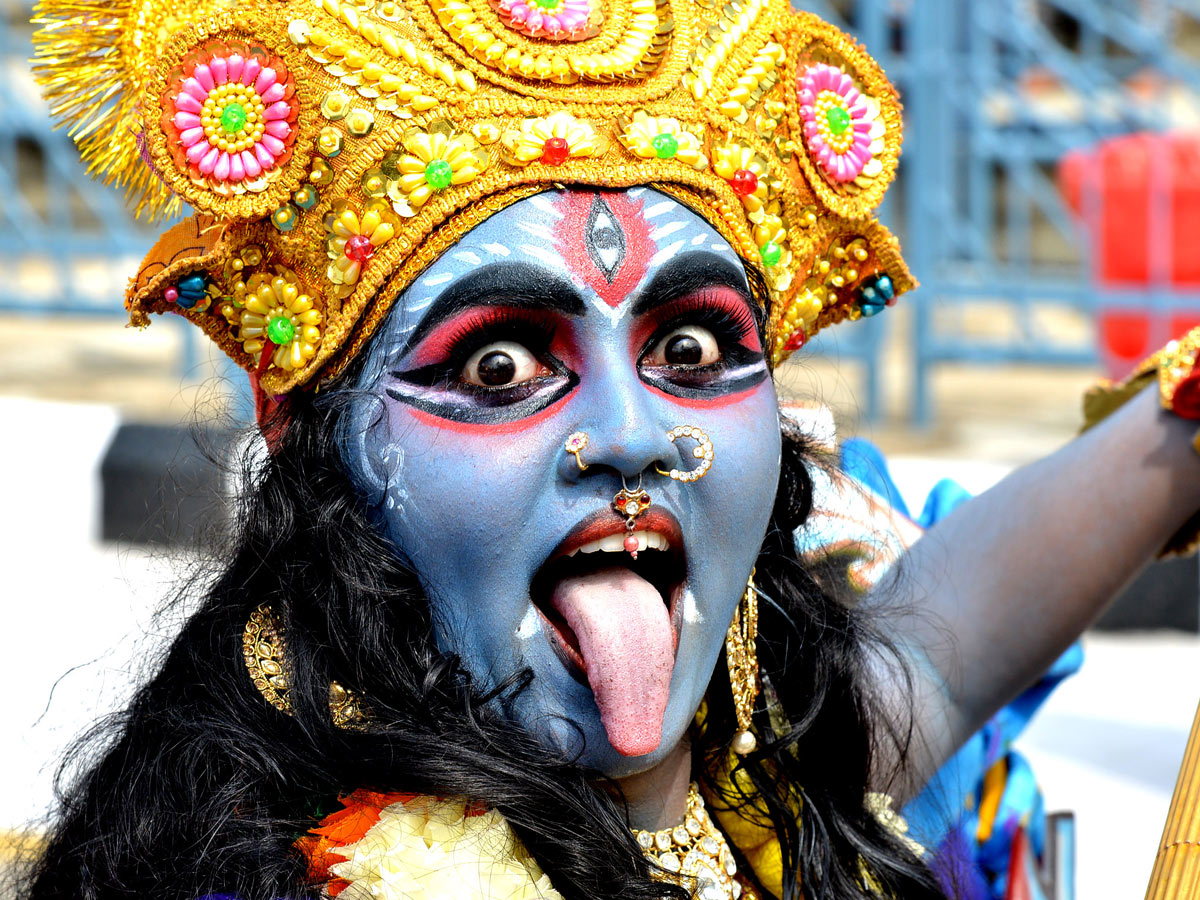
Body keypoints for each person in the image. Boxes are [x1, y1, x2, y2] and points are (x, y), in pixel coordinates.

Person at [23, 0, 1200, 897]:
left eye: (692, 349)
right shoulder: (258, 862)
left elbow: (940, 657)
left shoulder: (776, 772)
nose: (634, 433)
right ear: (328, 455)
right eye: (500, 367)